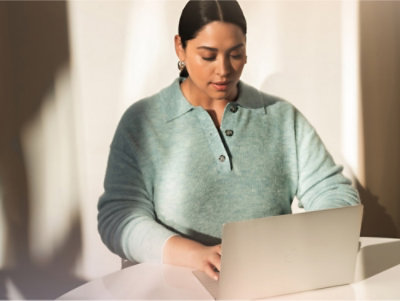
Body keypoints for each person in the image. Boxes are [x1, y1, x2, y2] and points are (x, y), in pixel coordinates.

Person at [98, 0, 360, 281]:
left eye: (235, 54)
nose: (224, 70)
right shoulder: (143, 121)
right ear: (180, 48)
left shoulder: (281, 117)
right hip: (168, 289)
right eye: (208, 56)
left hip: (268, 284)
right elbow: (119, 217)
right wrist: (197, 256)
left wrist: (306, 243)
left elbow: (333, 192)